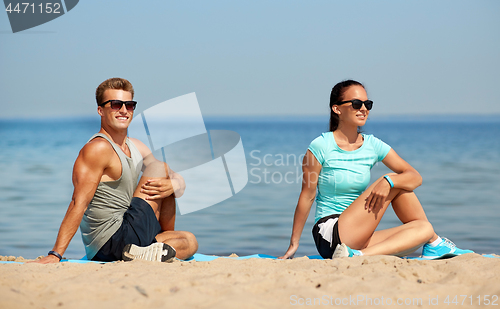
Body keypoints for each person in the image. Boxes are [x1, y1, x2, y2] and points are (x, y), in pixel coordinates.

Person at [280, 80, 473, 260]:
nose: (363, 109)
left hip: (357, 237)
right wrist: (294, 243)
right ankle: (435, 244)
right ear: (336, 109)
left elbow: (415, 177)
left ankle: (362, 256)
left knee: (424, 228)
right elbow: (307, 195)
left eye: (367, 104)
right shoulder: (321, 146)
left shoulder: (372, 145)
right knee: (394, 180)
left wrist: (388, 182)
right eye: (356, 103)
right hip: (331, 233)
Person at [34, 77, 198, 263]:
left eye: (129, 105)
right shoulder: (98, 149)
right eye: (115, 104)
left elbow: (174, 178)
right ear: (100, 110)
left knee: (189, 241)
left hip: (129, 241)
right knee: (159, 168)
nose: (123, 110)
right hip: (111, 241)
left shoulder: (136, 146)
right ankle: (150, 248)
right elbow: (78, 202)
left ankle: (152, 250)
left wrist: (176, 183)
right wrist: (55, 254)